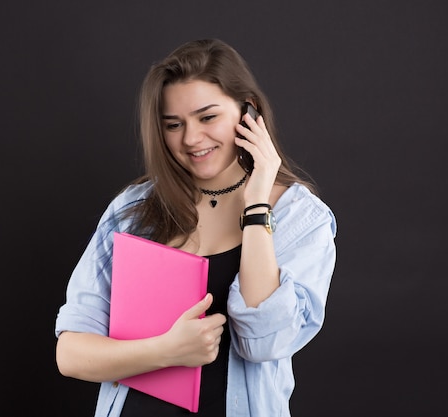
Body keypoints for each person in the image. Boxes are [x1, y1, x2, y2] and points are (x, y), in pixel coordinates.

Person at [55, 38, 337, 417]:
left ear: (248, 112)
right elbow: (71, 355)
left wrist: (256, 206)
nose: (190, 139)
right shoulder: (131, 211)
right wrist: (166, 351)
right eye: (174, 124)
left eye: (207, 118)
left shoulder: (301, 218)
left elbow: (264, 341)